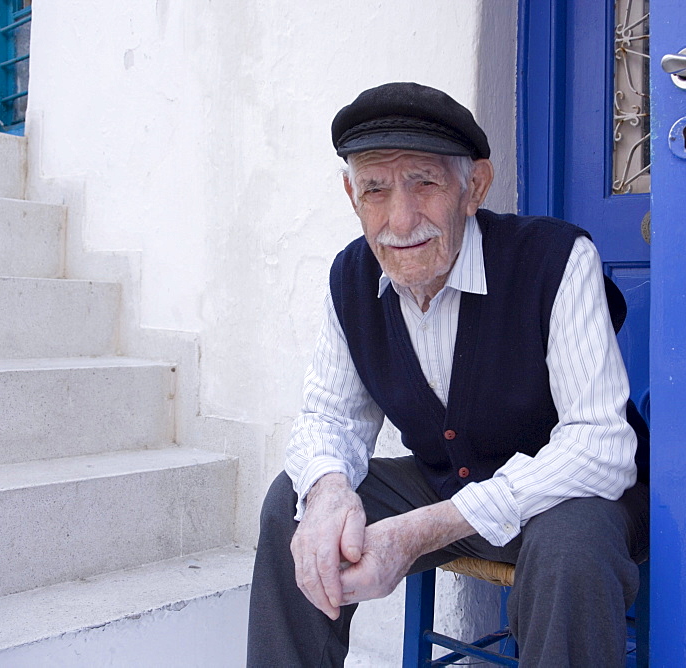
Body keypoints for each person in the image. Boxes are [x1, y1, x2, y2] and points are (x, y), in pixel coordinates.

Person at [247, 81, 649, 667]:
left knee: (571, 547)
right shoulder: (352, 279)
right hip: (446, 486)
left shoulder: (556, 260)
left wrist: (417, 532)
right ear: (350, 195)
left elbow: (602, 445)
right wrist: (330, 490)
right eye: (375, 190)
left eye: (424, 183)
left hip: (568, 500)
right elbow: (330, 417)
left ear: (474, 187)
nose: (400, 219)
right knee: (296, 502)